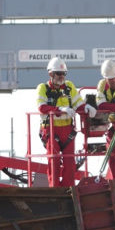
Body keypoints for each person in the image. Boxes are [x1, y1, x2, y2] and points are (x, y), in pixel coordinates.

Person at [37, 57, 95, 187]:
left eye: (63, 73)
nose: (61, 76)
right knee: (54, 163)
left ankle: (68, 190)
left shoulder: (69, 87)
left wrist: (85, 107)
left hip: (68, 132)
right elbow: (41, 107)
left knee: (70, 164)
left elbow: (78, 104)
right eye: (58, 73)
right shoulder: (43, 88)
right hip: (51, 131)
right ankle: (55, 190)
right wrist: (60, 109)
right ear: (50, 74)